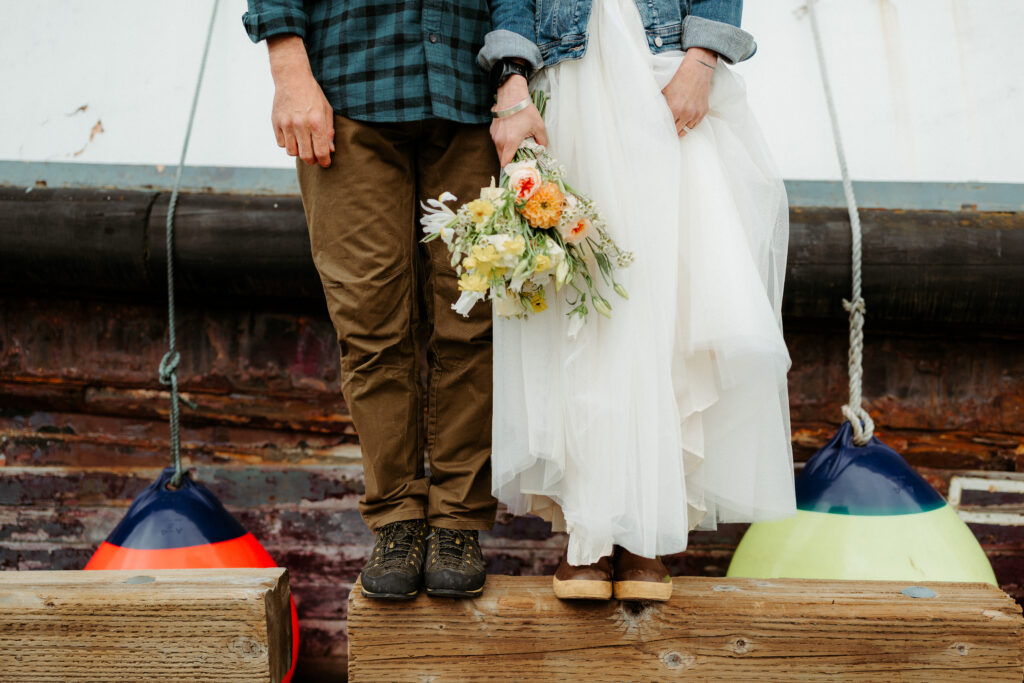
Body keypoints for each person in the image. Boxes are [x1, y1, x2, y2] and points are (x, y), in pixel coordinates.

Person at [481, 0, 797, 601]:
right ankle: (589, 530)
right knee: (579, 297)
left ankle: (645, 530)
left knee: (666, 295)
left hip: (660, 72)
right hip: (568, 78)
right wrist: (513, 77)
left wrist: (702, 61)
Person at [242, 1, 532, 600]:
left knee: (472, 320)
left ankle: (456, 520)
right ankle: (397, 517)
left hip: (468, 86)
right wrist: (288, 70)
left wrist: (513, 75)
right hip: (347, 87)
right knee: (370, 321)